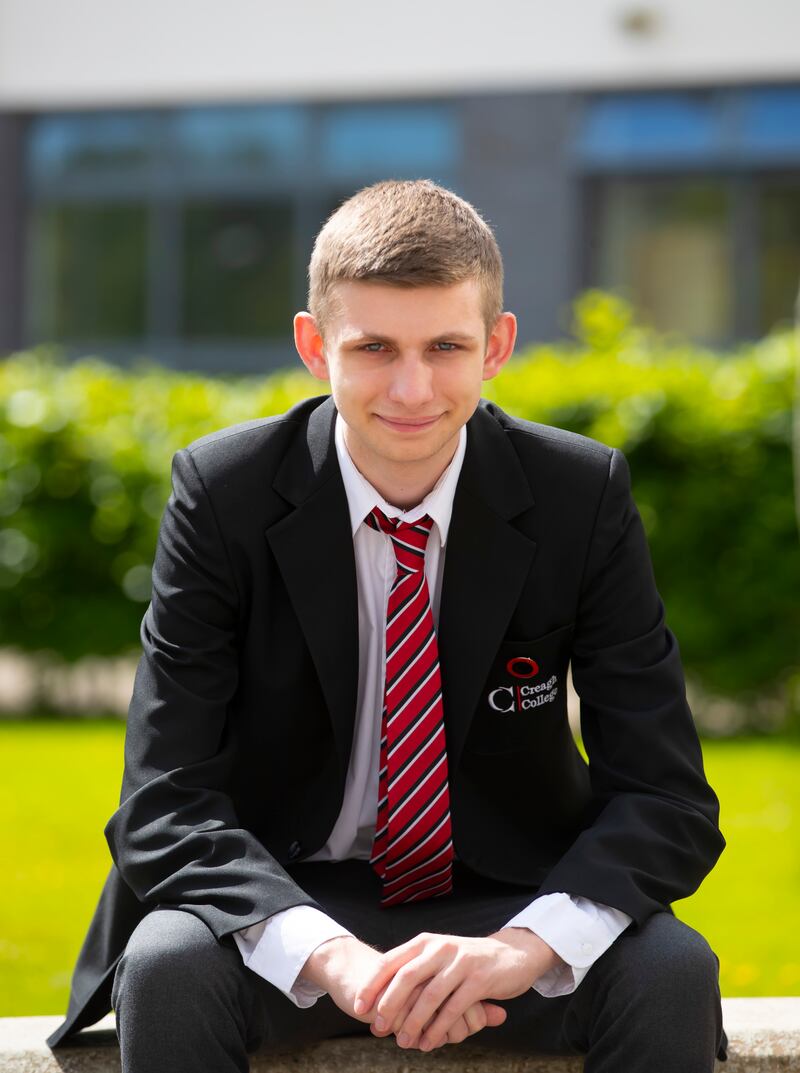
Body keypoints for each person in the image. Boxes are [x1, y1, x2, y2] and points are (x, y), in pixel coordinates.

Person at [48, 178, 729, 1071]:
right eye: (373, 347)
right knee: (168, 962)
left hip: (507, 896)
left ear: (497, 346)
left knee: (673, 968)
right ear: (311, 344)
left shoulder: (579, 495)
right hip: (281, 894)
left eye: (446, 345)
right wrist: (333, 960)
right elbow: (163, 800)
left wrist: (522, 949)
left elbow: (667, 796)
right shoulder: (224, 494)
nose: (412, 388)